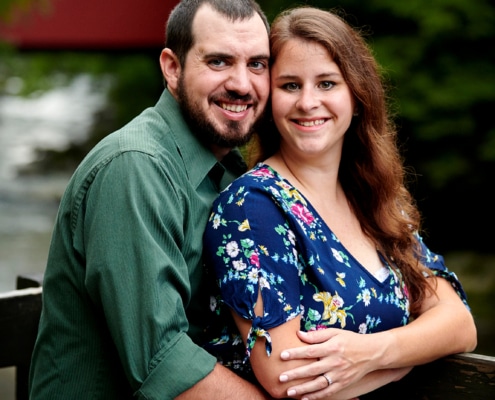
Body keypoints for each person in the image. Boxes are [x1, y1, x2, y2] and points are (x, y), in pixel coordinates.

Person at [203, 6, 477, 400]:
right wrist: (413, 355)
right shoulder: (251, 209)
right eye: (290, 85)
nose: (308, 102)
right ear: (268, 99)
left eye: (327, 83)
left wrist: (370, 354)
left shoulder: (374, 198)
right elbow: (288, 378)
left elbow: (459, 324)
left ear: (357, 94)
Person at [28, 1, 274, 399]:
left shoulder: (234, 172)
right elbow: (162, 364)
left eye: (257, 64)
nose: (242, 84)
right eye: (219, 62)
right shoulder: (134, 168)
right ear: (172, 69)